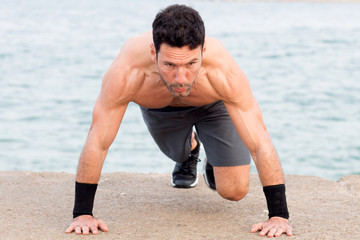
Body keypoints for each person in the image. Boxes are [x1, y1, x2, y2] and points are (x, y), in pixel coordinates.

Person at [65, 4, 292, 238]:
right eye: (170, 65)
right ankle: (192, 150)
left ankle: (214, 158)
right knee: (178, 154)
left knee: (234, 191)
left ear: (203, 51)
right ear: (154, 53)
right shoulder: (128, 73)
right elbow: (99, 140)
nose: (181, 78)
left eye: (191, 64)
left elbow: (259, 141)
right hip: (160, 109)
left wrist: (278, 215)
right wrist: (82, 213)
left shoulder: (223, 73)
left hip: (213, 108)